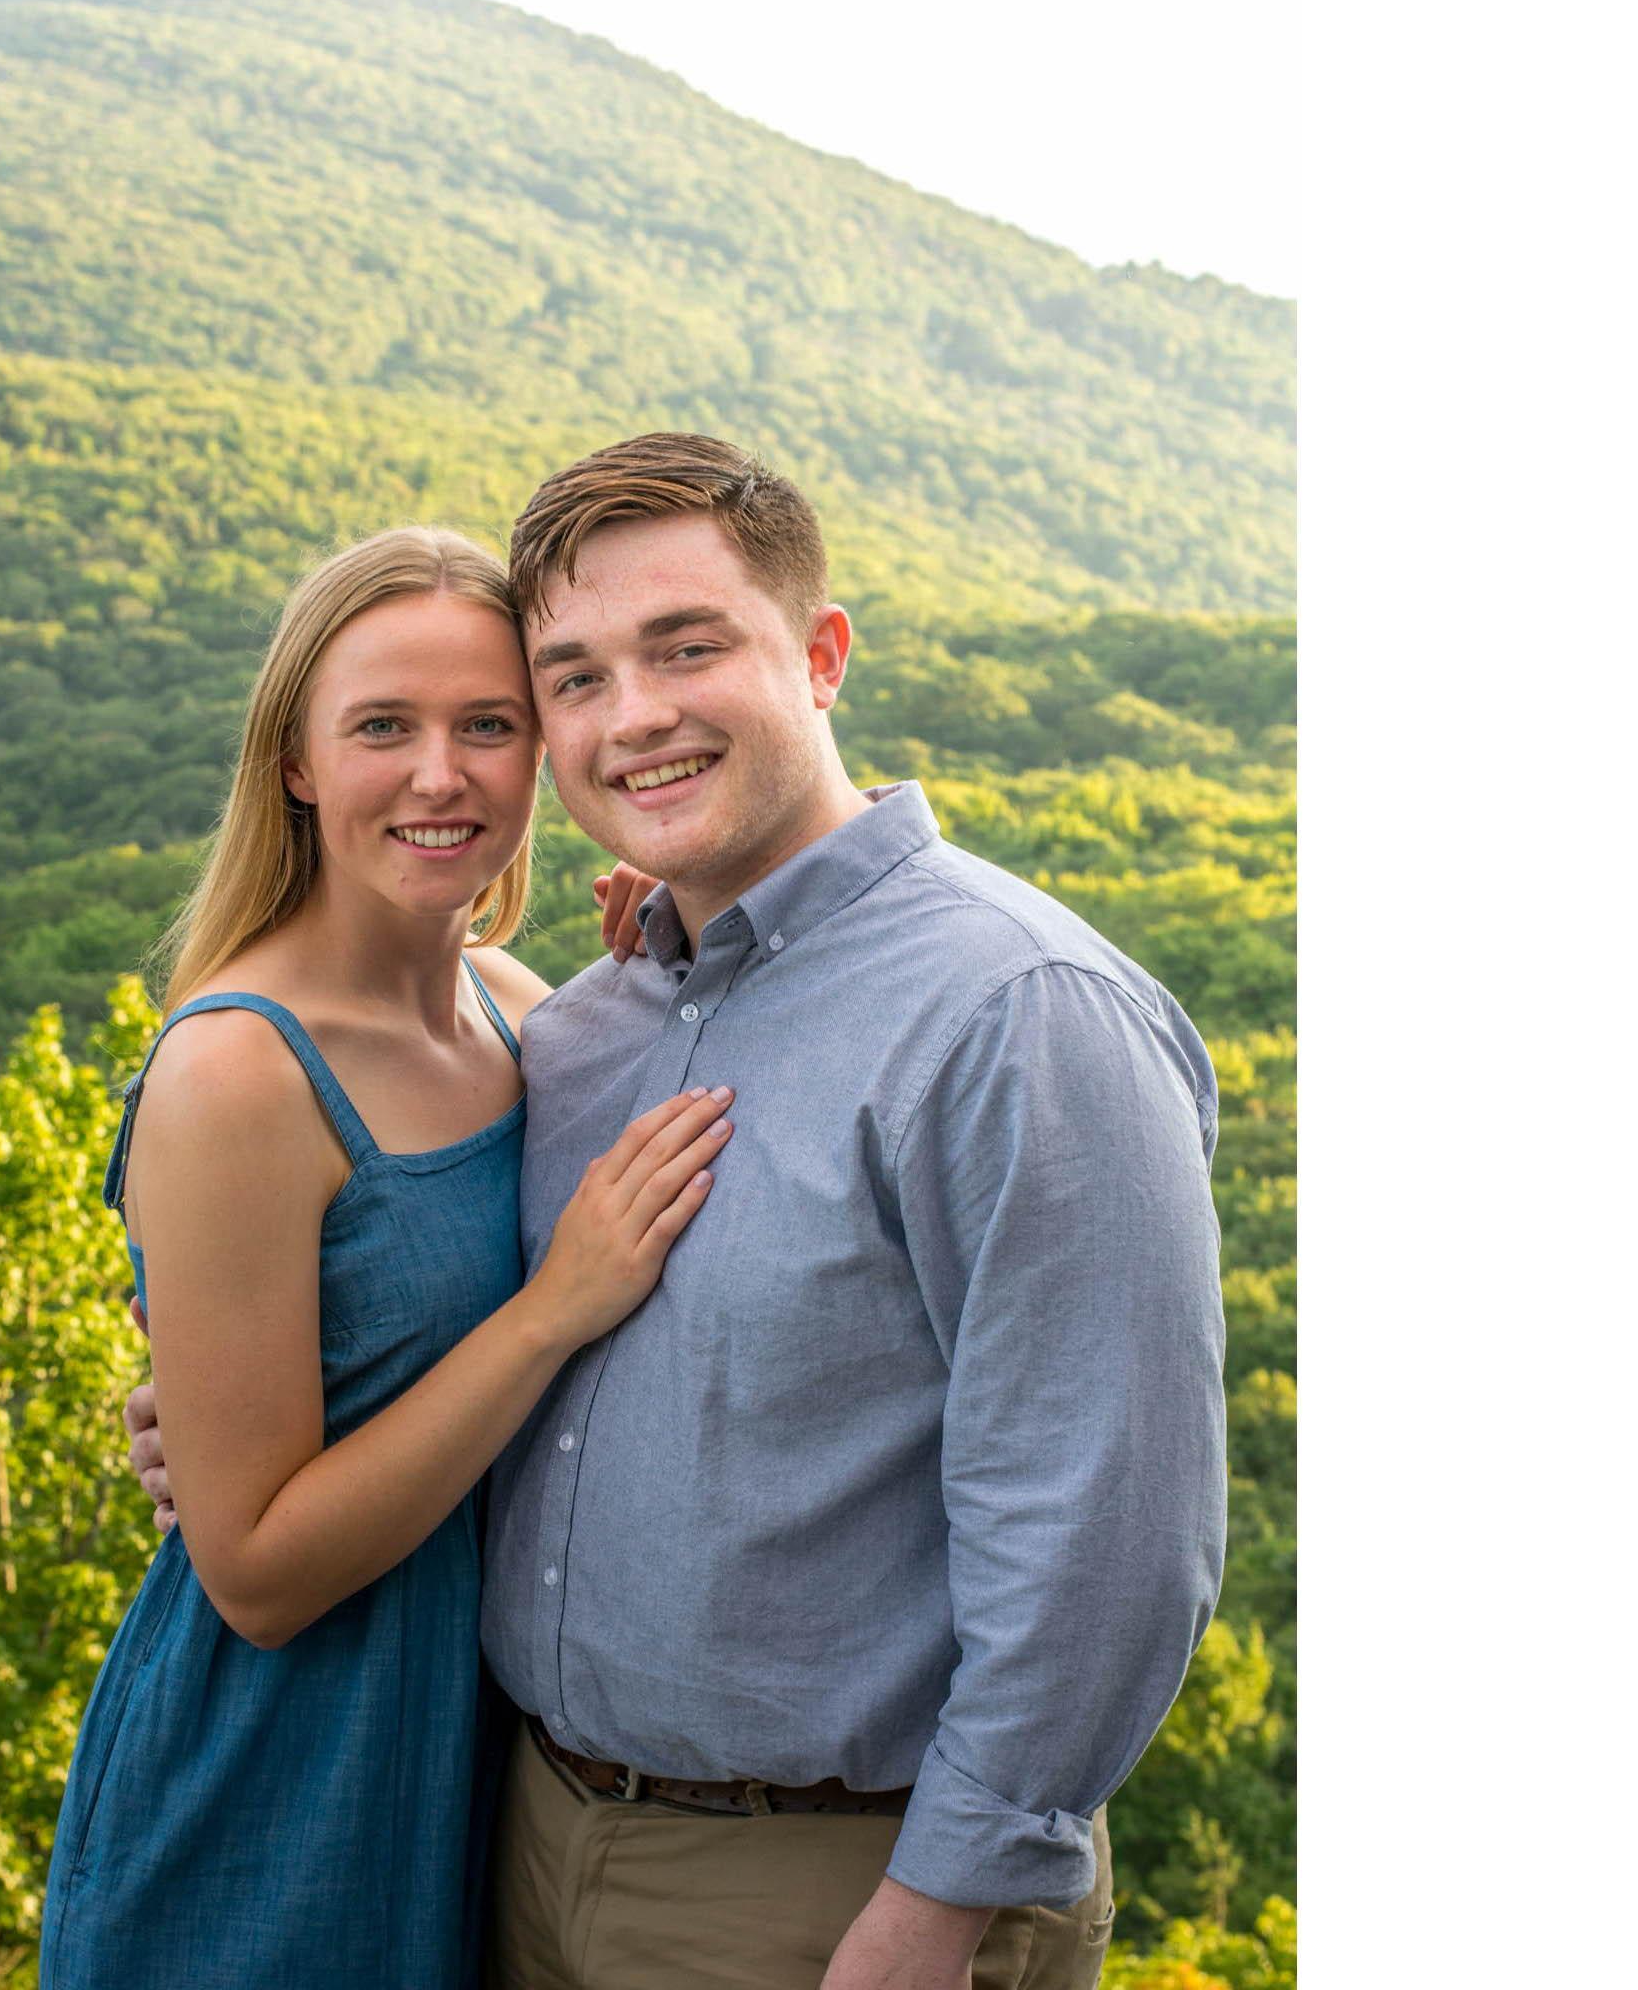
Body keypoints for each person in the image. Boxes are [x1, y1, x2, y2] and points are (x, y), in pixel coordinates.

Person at [128, 436, 1228, 1990]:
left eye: (685, 647)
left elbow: (1109, 1542)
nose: (631, 715)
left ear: (823, 653)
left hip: (835, 1885)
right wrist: (233, 1416)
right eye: (572, 678)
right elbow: (409, 1298)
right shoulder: (584, 1028)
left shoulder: (1019, 1016)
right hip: (504, 1838)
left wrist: (938, 1910)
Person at [39, 525, 737, 1990]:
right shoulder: (242, 1070)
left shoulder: (509, 1002)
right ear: (294, 759)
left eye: (489, 724)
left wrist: (670, 935)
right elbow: (258, 1578)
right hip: (280, 1774)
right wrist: (549, 1314)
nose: (443, 774)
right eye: (383, 728)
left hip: (488, 1767)